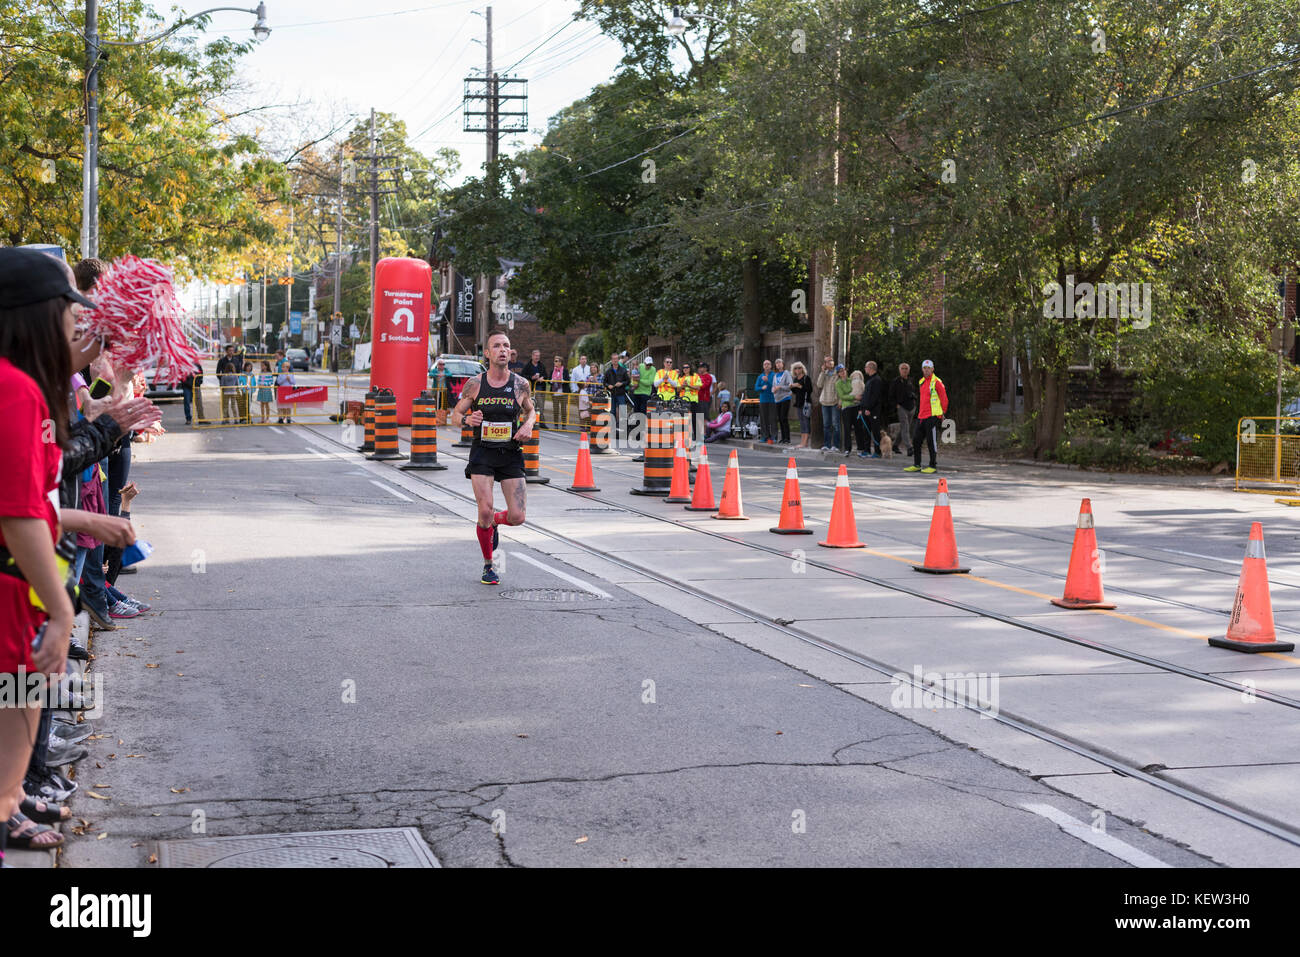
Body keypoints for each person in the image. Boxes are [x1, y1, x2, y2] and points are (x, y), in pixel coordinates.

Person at [452, 332, 537, 586]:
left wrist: (528, 424)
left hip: (510, 453)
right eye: (497, 346)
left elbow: (531, 410)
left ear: (511, 353)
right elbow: (454, 414)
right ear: (487, 353)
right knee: (485, 510)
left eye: (507, 346)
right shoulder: (475, 384)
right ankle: (489, 565)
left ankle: (496, 523)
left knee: (518, 516)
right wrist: (467, 420)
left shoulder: (521, 384)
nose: (503, 350)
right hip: (483, 453)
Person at [905, 359, 949, 474]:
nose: (926, 370)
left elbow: (944, 398)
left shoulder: (937, 382)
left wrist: (942, 413)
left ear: (933, 369)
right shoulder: (921, 381)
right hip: (921, 416)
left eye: (929, 368)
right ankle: (917, 464)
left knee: (931, 441)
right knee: (916, 441)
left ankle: (932, 465)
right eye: (924, 368)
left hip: (933, 416)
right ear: (922, 369)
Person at [858, 361, 884, 458]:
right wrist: (862, 408)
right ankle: (866, 450)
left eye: (866, 367)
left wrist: (869, 408)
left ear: (871, 368)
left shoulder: (877, 380)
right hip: (865, 410)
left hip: (873, 411)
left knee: (875, 431)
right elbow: (866, 396)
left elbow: (875, 397)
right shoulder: (869, 380)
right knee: (866, 430)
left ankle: (877, 452)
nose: (865, 369)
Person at [602, 353, 631, 437]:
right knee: (612, 412)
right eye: (613, 359)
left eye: (616, 359)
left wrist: (621, 383)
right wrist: (608, 386)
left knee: (622, 411)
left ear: (618, 360)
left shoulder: (623, 370)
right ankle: (613, 430)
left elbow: (628, 381)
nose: (615, 360)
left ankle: (623, 430)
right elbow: (604, 382)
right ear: (611, 360)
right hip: (612, 394)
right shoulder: (608, 371)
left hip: (621, 393)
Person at [891, 362, 916, 457]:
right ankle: (909, 448)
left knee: (904, 428)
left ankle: (895, 445)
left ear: (908, 370)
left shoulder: (911, 380)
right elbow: (891, 395)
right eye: (903, 368)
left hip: (911, 407)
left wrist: (914, 401)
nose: (904, 370)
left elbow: (915, 392)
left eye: (906, 368)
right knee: (905, 427)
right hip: (901, 407)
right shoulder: (896, 381)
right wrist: (896, 405)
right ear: (899, 370)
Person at [816, 355, 839, 451]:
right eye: (828, 361)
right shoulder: (824, 373)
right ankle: (827, 444)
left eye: (831, 360)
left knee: (835, 425)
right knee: (826, 425)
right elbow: (819, 384)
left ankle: (836, 445)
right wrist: (822, 372)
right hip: (825, 402)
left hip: (834, 402)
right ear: (824, 364)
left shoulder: (837, 373)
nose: (830, 362)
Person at [215, 344, 243, 423]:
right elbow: (218, 372)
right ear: (226, 351)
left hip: (234, 386)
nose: (231, 352)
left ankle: (237, 419)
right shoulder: (222, 360)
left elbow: (239, 371)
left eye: (232, 350)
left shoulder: (236, 360)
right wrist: (223, 380)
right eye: (230, 350)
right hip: (225, 386)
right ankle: (226, 419)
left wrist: (235, 381)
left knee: (234, 404)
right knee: (225, 404)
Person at [833, 365, 855, 454]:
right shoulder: (838, 383)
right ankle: (847, 448)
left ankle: (861, 448)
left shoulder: (852, 380)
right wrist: (853, 396)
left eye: (844, 370)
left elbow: (856, 390)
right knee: (847, 428)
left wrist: (851, 396)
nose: (843, 372)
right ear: (838, 374)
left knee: (858, 428)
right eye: (840, 371)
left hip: (856, 406)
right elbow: (842, 396)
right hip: (846, 407)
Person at [678, 361, 703, 440]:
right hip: (683, 400)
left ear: (690, 369)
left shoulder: (695, 376)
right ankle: (685, 437)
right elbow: (678, 390)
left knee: (695, 418)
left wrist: (688, 385)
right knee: (684, 419)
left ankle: (697, 436)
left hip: (693, 400)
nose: (685, 369)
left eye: (687, 367)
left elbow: (698, 387)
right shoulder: (680, 378)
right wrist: (683, 386)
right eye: (684, 368)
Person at [790, 362, 812, 448]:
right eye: (795, 368)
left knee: (806, 422)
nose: (797, 370)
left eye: (799, 368)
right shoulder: (795, 379)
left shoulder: (806, 378)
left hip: (806, 403)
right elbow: (795, 392)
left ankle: (805, 442)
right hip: (798, 403)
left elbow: (809, 390)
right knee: (801, 422)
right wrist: (792, 388)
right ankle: (803, 442)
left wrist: (800, 386)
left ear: (802, 368)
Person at [772, 358, 793, 445]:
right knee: (780, 418)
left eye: (780, 362)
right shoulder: (775, 375)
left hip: (785, 397)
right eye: (776, 363)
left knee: (784, 418)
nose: (778, 364)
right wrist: (773, 390)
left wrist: (780, 387)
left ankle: (787, 438)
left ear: (783, 364)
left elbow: (790, 385)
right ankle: (783, 438)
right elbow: (773, 386)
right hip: (777, 399)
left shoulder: (786, 373)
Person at [756, 359, 776, 443]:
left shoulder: (774, 375)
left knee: (772, 419)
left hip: (772, 399)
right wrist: (761, 388)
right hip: (763, 400)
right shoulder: (760, 376)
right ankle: (764, 436)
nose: (766, 366)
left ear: (771, 366)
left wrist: (767, 381)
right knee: (764, 419)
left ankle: (773, 437)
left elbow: (775, 386)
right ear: (763, 366)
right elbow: (756, 388)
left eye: (768, 364)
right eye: (765, 364)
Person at [546, 355, 568, 429]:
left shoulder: (565, 371)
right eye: (554, 361)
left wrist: (561, 381)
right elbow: (549, 381)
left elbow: (567, 381)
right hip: (555, 393)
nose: (555, 362)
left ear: (560, 362)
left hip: (563, 392)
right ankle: (556, 424)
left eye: (557, 361)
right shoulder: (552, 371)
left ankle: (564, 425)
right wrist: (552, 381)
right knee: (555, 410)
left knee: (563, 410)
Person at [182, 357, 204, 425]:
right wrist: (187, 383)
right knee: (187, 402)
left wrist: (198, 382)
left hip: (196, 386)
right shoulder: (184, 364)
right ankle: (188, 418)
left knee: (199, 402)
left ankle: (201, 418)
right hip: (187, 387)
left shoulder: (197, 364)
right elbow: (181, 375)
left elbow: (201, 374)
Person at [275, 355, 295, 424]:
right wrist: (284, 379)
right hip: (281, 391)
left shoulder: (291, 374)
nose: (283, 368)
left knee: (288, 406)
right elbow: (278, 382)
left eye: (285, 367)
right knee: (281, 405)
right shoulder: (280, 374)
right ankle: (280, 418)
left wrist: (290, 380)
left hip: (288, 391)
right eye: (282, 367)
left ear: (288, 368)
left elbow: (293, 382)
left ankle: (289, 418)